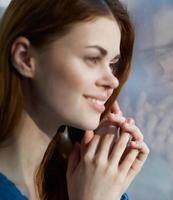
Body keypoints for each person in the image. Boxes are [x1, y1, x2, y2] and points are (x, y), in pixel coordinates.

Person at [0, 0, 149, 200]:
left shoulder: (90, 180)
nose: (113, 81)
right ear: (25, 57)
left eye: (112, 64)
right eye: (93, 58)